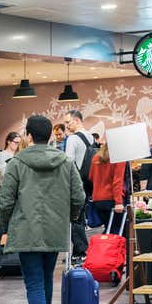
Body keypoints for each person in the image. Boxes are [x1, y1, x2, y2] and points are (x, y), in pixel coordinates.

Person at [0, 115, 85, 304]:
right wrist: (71, 216)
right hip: (55, 230)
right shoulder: (65, 162)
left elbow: (5, 201)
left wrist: (5, 227)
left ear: (28, 136)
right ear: (49, 136)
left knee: (34, 283)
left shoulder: (17, 163)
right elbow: (79, 197)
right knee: (46, 279)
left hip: (26, 229)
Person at [63, 109, 92, 260]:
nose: (66, 126)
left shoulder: (73, 139)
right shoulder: (91, 137)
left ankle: (81, 251)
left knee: (75, 217)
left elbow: (68, 164)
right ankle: (80, 250)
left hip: (76, 183)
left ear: (77, 120)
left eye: (68, 122)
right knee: (82, 217)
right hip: (90, 183)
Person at [88, 141, 126, 231]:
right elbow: (118, 181)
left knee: (108, 229)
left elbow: (91, 177)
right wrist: (119, 202)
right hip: (112, 199)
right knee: (117, 231)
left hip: (98, 199)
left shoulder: (96, 157)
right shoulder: (119, 158)